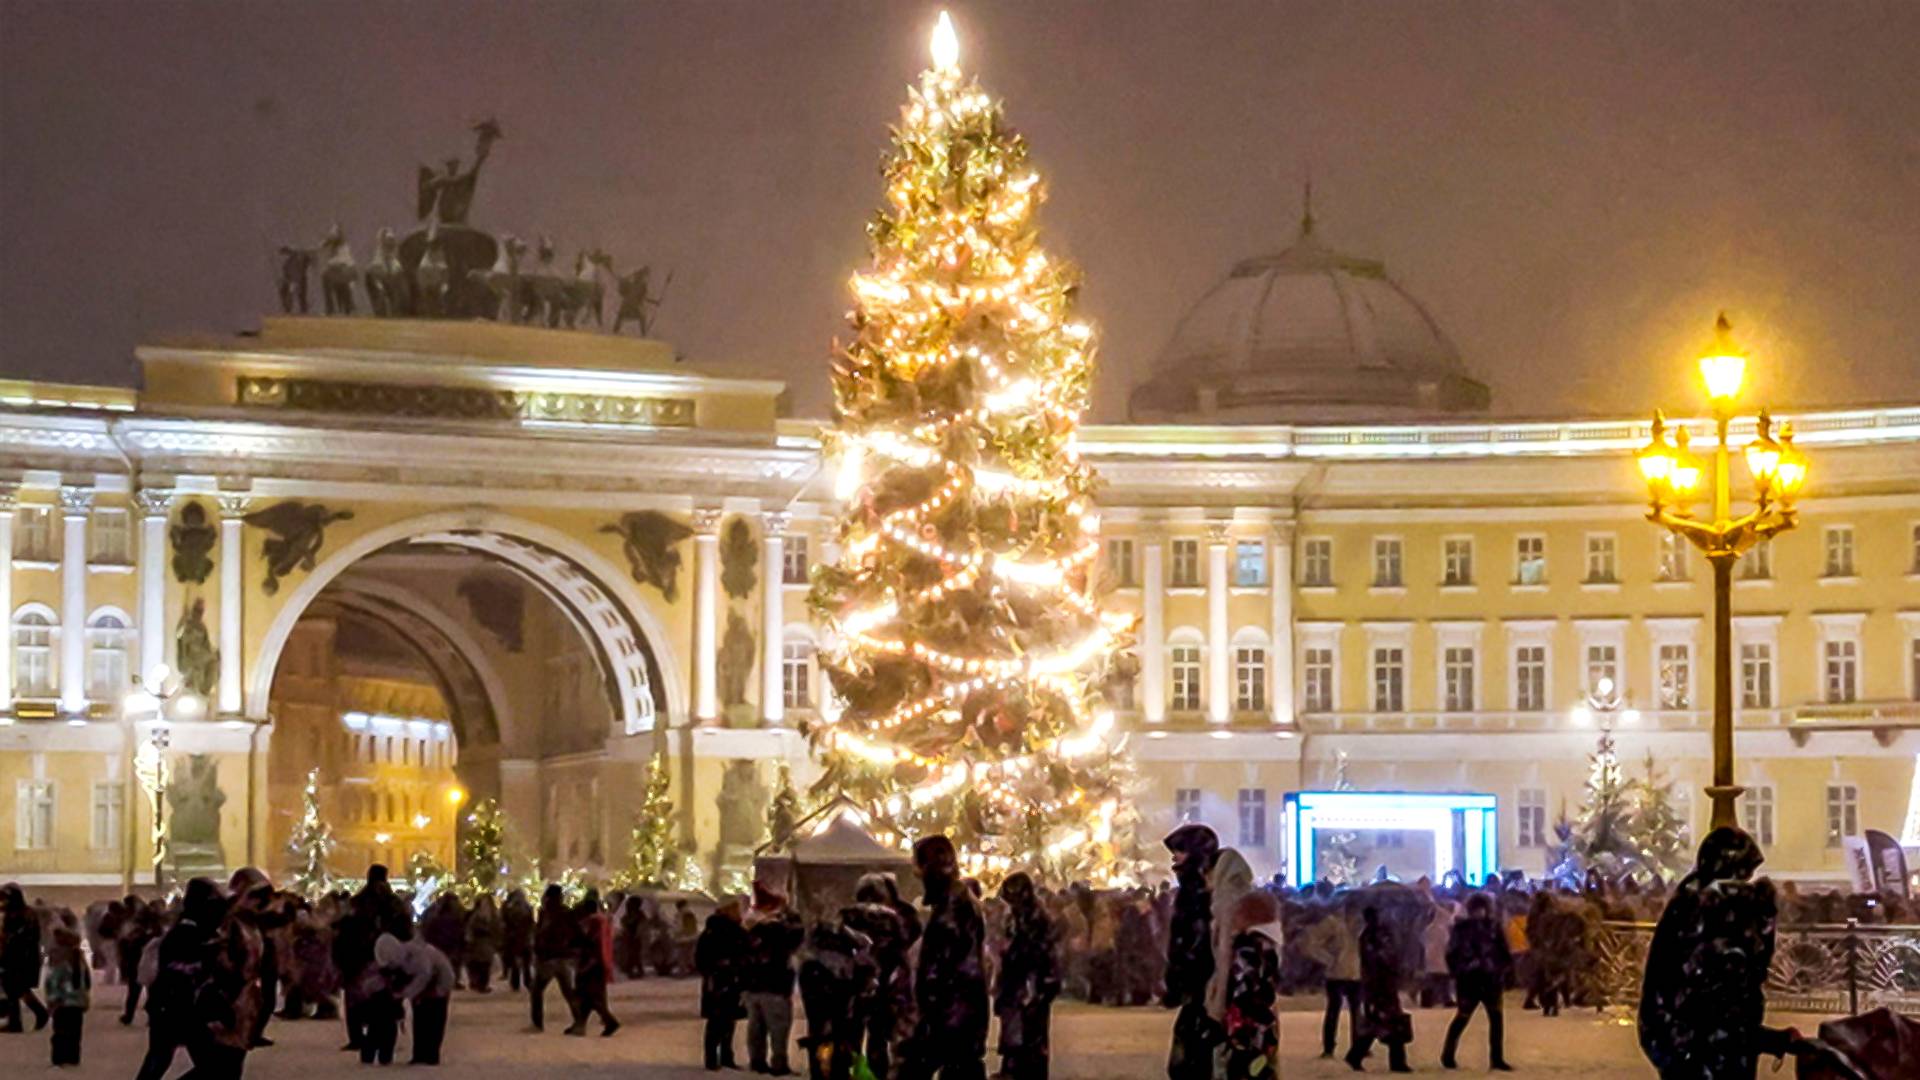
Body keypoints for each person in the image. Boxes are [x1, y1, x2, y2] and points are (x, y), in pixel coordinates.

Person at [1638, 827, 1840, 1079]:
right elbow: (1717, 1014)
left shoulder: (1688, 908)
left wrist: (1771, 1039)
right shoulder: (1715, 918)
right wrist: (1768, 1039)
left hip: (1688, 1050)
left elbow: (1720, 1016)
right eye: (1742, 878)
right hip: (1699, 1057)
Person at [900, 835, 989, 1080]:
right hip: (958, 1012)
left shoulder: (953, 905)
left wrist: (927, 1011)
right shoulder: (956, 901)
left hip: (951, 1014)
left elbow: (942, 966)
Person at [134, 878, 223, 1080]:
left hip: (173, 1005)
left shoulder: (187, 928)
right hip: (179, 1005)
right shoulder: (188, 932)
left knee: (161, 1057)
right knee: (209, 1064)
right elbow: (180, 968)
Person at [840, 873, 916, 1079]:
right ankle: (876, 1072)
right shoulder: (894, 917)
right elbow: (903, 946)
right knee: (878, 1035)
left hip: (855, 983)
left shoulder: (848, 915)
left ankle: (852, 1071)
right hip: (883, 982)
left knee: (853, 1032)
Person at [1161, 823, 1220, 1080]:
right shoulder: (1194, 889)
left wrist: (1179, 978)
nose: (1175, 856)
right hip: (1198, 983)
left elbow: (1194, 941)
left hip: (1201, 984)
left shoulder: (1197, 892)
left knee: (1191, 1058)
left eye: (1180, 850)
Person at [1214, 884, 1285, 1080]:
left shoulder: (1247, 947)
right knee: (1263, 1068)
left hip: (1247, 1025)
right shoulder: (1269, 944)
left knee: (1244, 1069)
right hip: (1264, 1021)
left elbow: (1243, 987)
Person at [994, 872, 1061, 1080]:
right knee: (1016, 1033)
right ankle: (1013, 1068)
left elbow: (1036, 955)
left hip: (1030, 985)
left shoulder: (1035, 919)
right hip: (1017, 985)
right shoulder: (1018, 917)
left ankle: (1026, 1073)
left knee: (1030, 1036)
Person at [797, 915, 877, 1080]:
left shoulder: (812, 959)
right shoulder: (850, 957)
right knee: (840, 1039)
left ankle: (822, 1071)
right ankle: (837, 1071)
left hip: (824, 1002)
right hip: (840, 1005)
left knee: (820, 1036)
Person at [1440, 893, 1513, 1071]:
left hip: (1490, 979)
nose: (1479, 913)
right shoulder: (1462, 929)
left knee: (1496, 1019)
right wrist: (1458, 971)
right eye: (1476, 910)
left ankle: (1497, 1058)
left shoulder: (1493, 928)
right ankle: (1448, 1055)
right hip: (1469, 980)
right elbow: (1451, 953)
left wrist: (1505, 970)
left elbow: (1504, 951)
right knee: (1462, 1017)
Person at [743, 884, 803, 1074]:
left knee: (756, 1028)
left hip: (752, 985)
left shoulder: (749, 929)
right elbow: (796, 937)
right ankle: (779, 1063)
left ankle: (757, 1060)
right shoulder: (776, 929)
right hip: (775, 985)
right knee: (778, 1028)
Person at [1346, 904, 1412, 1073]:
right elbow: (1379, 960)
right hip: (1379, 985)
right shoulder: (1371, 937)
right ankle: (1395, 1061)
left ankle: (1358, 1054)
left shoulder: (1377, 934)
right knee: (1387, 1022)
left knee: (1381, 1023)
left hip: (1382, 984)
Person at [374, 928, 455, 1065]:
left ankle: (431, 1054)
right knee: (420, 1019)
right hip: (425, 987)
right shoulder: (404, 957)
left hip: (440, 983)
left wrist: (406, 994)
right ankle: (420, 1054)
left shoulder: (417, 955)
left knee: (434, 1019)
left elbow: (423, 976)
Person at [697, 898, 749, 1071]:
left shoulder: (718, 931)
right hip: (722, 980)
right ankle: (715, 1057)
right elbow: (703, 958)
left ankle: (723, 1055)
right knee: (719, 1020)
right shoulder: (722, 932)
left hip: (726, 980)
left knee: (726, 1019)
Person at [569, 890, 620, 1037]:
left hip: (592, 964)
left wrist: (584, 966)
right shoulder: (603, 921)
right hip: (599, 963)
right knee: (588, 997)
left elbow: (592, 945)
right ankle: (580, 1025)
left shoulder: (593, 924)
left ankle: (609, 1021)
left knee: (590, 997)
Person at [529, 884, 578, 1033]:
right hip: (562, 956)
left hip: (550, 957)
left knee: (537, 990)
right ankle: (579, 1021)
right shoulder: (565, 913)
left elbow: (542, 935)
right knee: (568, 991)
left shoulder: (548, 913)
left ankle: (537, 1024)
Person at [0, 883, 49, 1031]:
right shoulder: (15, 913)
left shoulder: (23, 915)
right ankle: (16, 1021)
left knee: (17, 988)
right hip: (15, 956)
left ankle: (37, 1014)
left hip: (21, 957)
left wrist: (6, 941)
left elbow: (21, 937)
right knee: (14, 989)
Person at [45, 918, 90, 1066]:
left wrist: (52, 1000)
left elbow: (54, 982)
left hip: (62, 1002)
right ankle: (73, 1057)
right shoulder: (79, 960)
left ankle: (60, 1058)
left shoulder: (61, 961)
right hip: (77, 1001)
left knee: (60, 1032)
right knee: (74, 1033)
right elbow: (85, 983)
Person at [117, 897, 162, 1025]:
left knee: (136, 990)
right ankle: (151, 1017)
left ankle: (130, 1016)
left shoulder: (138, 929)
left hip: (139, 960)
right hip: (146, 961)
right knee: (151, 991)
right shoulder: (152, 929)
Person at [501, 889, 534, 992]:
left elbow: (504, 921)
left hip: (514, 937)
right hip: (524, 937)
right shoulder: (527, 908)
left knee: (516, 961)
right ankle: (527, 981)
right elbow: (531, 923)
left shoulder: (509, 907)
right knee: (526, 962)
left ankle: (515, 982)